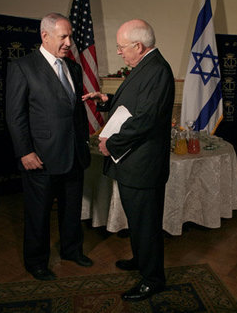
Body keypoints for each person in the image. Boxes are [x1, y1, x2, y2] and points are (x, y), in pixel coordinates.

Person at [82, 19, 175, 301]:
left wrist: (112, 143)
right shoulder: (145, 66)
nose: (120, 52)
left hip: (143, 165)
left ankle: (153, 279)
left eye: (122, 47)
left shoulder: (157, 70)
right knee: (138, 220)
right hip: (134, 163)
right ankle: (142, 260)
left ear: (138, 45)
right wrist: (106, 100)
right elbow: (132, 104)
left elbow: (145, 119)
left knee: (146, 223)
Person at [6, 12, 92, 281]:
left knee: (71, 209)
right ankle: (36, 262)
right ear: (45, 36)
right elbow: (15, 115)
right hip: (40, 156)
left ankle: (71, 250)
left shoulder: (74, 68)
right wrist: (24, 152)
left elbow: (73, 110)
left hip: (74, 153)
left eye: (70, 36)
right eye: (63, 36)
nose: (69, 42)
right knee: (38, 214)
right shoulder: (23, 67)